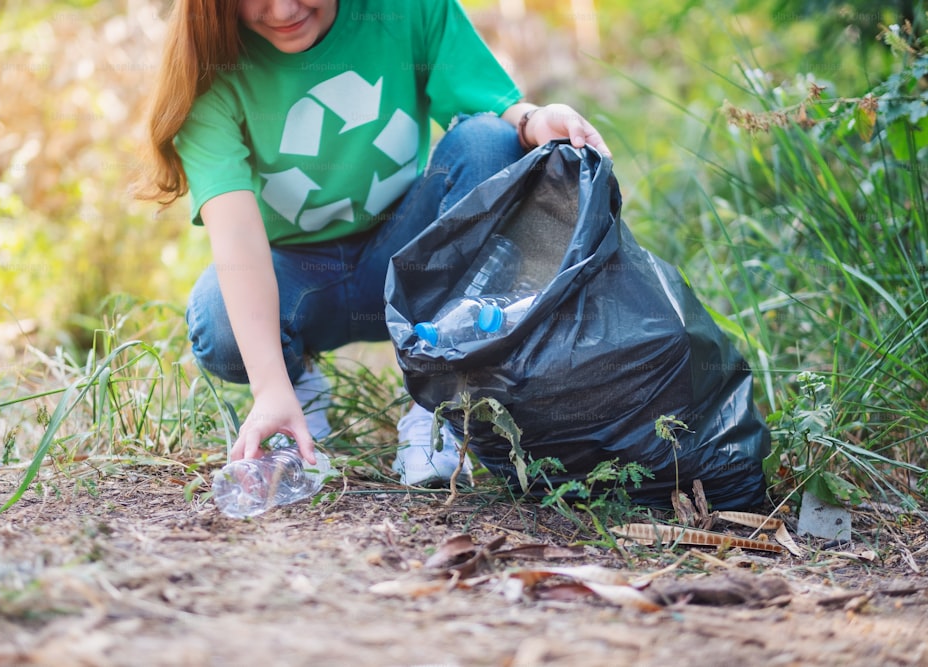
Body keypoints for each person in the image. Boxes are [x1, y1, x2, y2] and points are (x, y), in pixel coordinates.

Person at [138, 0, 611, 487]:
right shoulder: (207, 67)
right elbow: (236, 237)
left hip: (407, 258)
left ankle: (436, 407)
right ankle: (294, 396)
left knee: (490, 140)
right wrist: (268, 387)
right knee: (219, 320)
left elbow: (492, 111)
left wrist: (534, 120)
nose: (281, 11)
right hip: (296, 281)